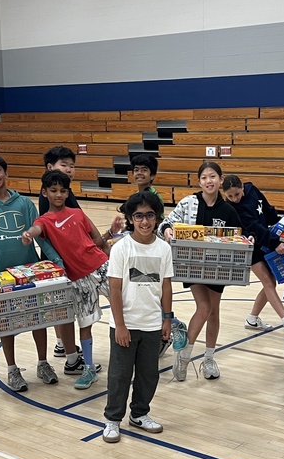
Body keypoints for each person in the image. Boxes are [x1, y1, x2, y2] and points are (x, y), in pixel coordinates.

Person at [22, 170, 121, 390]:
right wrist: (29, 234)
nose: (58, 195)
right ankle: (87, 368)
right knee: (85, 324)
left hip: (101, 267)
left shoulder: (77, 213)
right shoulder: (44, 220)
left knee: (125, 307)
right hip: (77, 279)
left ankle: (137, 350)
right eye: (54, 190)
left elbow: (96, 240)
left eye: (63, 191)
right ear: (44, 192)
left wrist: (111, 233)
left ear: (68, 192)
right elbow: (36, 229)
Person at [0, 154, 60, 390]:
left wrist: (56, 260)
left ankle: (43, 363)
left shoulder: (25, 204)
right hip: (2, 277)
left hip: (32, 274)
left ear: (6, 173)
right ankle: (12, 369)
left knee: (39, 319)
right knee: (6, 323)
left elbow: (41, 237)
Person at [159, 161, 243, 381]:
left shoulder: (228, 210)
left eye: (213, 176)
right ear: (199, 181)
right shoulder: (189, 203)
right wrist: (168, 230)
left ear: (221, 180)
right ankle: (184, 357)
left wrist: (246, 238)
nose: (209, 181)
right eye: (204, 177)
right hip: (193, 266)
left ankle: (208, 358)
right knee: (204, 307)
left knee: (214, 311)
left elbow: (238, 235)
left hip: (218, 268)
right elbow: (166, 223)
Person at [101, 191, 174, 443]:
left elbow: (166, 286)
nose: (145, 222)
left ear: (157, 218)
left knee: (148, 374)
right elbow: (114, 289)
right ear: (131, 219)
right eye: (139, 216)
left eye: (150, 216)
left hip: (152, 324)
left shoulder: (164, 249)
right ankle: (112, 419)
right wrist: (120, 325)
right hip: (125, 325)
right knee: (120, 375)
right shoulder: (121, 248)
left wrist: (167, 318)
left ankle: (139, 414)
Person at [38, 145, 97, 372]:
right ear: (50, 167)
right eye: (65, 165)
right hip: (62, 262)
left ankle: (63, 344)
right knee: (65, 308)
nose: (70, 170)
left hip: (66, 261)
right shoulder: (53, 198)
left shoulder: (64, 192)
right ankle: (71, 354)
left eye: (72, 166)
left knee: (64, 307)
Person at [221, 174, 284, 331]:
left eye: (236, 194)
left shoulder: (252, 190)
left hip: (263, 241)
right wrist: (275, 242)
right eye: (229, 196)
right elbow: (254, 227)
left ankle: (252, 319)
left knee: (271, 281)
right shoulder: (232, 208)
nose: (234, 199)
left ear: (243, 187)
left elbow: (266, 208)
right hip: (249, 245)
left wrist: (280, 223)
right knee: (268, 282)